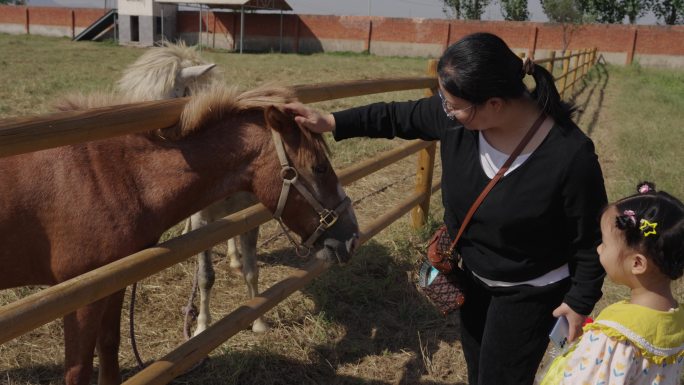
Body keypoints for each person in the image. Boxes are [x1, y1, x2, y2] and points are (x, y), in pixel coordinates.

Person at [286, 32, 607, 385]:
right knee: (478, 372)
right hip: (473, 278)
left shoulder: (569, 156)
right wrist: (330, 122)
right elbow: (397, 117)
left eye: (453, 104)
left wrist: (580, 301)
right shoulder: (459, 121)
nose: (446, 111)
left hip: (528, 291)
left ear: (494, 104)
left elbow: (591, 240)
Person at [540, 182, 684, 385]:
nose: (599, 249)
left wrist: (591, 346)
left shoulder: (614, 337)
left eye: (605, 243)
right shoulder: (676, 322)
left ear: (637, 263)